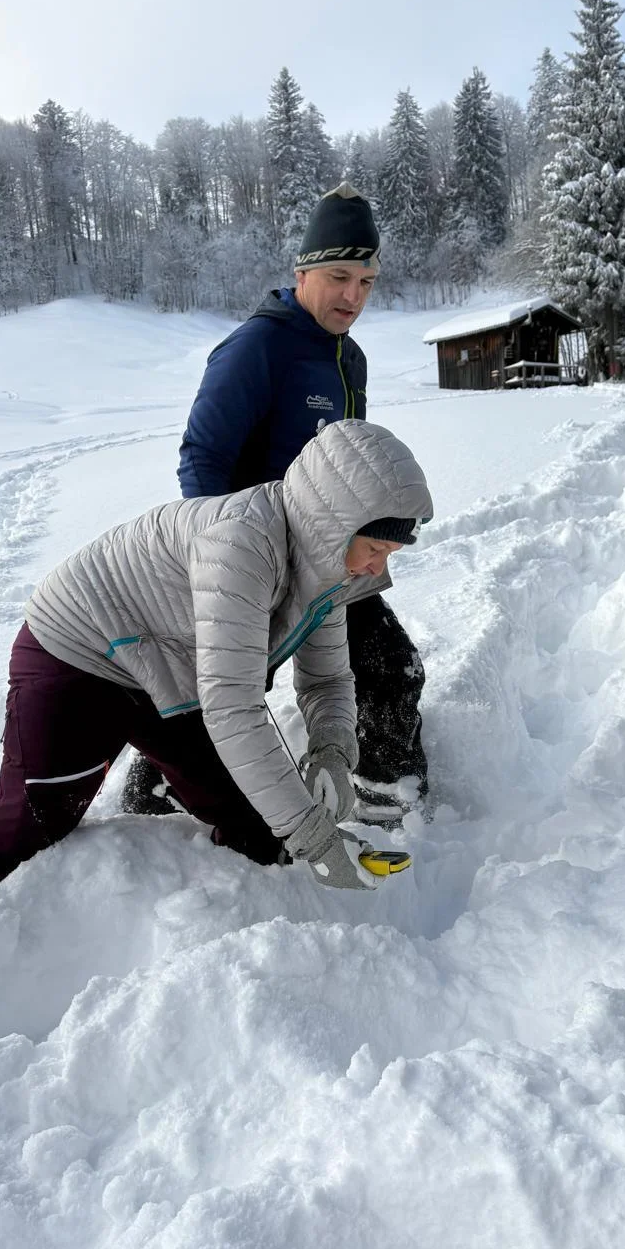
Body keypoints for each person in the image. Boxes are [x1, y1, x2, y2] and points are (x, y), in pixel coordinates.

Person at [0, 420, 433, 924]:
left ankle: (168, 789)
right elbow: (233, 706)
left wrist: (333, 752)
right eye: (375, 547)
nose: (377, 567)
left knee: (260, 827)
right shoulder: (241, 544)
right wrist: (315, 837)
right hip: (78, 653)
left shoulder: (329, 569)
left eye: (390, 553)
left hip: (164, 665)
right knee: (29, 831)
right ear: (333, 524)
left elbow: (327, 681)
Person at [123, 183, 428, 827]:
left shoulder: (351, 359)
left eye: (367, 282)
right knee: (226, 684)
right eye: (339, 277)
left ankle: (378, 789)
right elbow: (202, 457)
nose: (353, 296)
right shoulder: (256, 348)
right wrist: (231, 561)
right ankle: (153, 792)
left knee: (389, 667)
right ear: (302, 273)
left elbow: (350, 462)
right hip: (255, 555)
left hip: (331, 554)